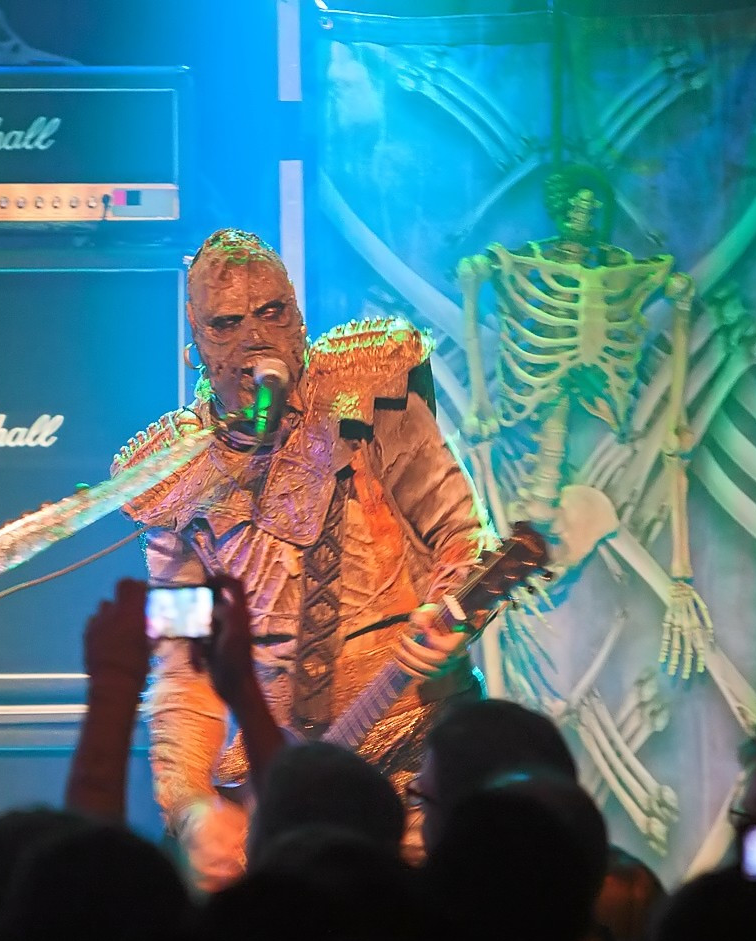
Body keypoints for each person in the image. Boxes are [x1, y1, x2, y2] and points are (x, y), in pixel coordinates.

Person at [111, 228, 488, 889]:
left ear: (300, 319)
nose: (255, 338)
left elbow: (460, 534)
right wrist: (191, 807)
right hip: (283, 787)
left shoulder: (370, 394)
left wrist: (448, 620)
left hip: (417, 748)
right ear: (195, 342)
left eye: (272, 313)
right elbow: (183, 667)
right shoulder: (175, 482)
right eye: (227, 324)